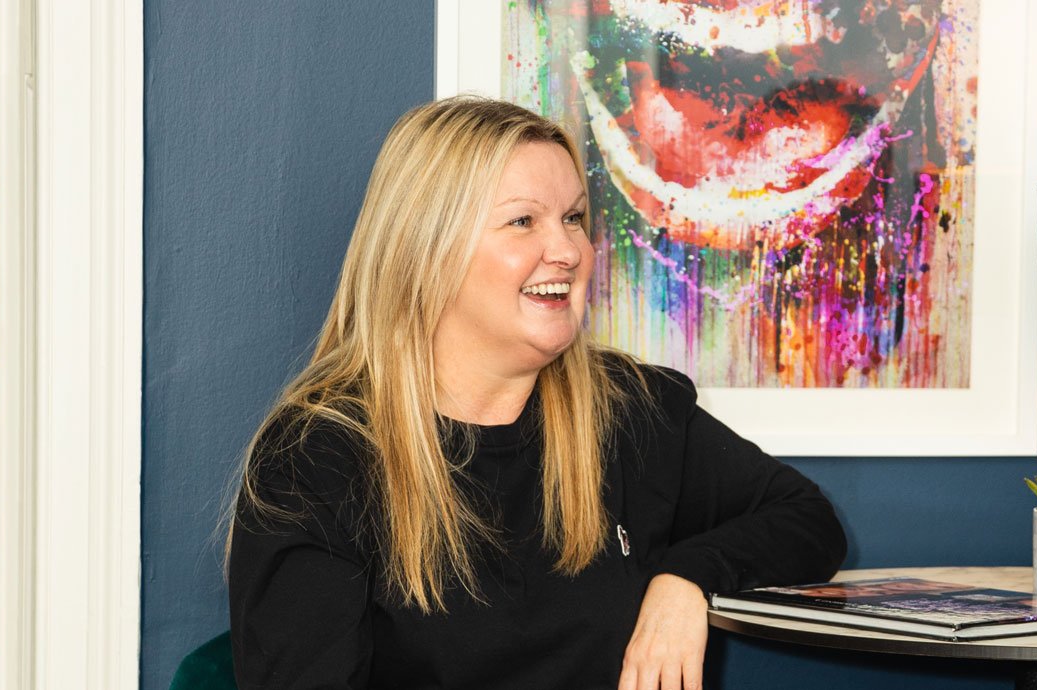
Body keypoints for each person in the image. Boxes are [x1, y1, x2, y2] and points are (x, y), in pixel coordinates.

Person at [227, 96, 847, 690]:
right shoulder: (318, 458)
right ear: (426, 251)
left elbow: (807, 520)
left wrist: (685, 578)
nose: (569, 250)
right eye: (523, 221)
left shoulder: (632, 410)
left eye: (573, 218)